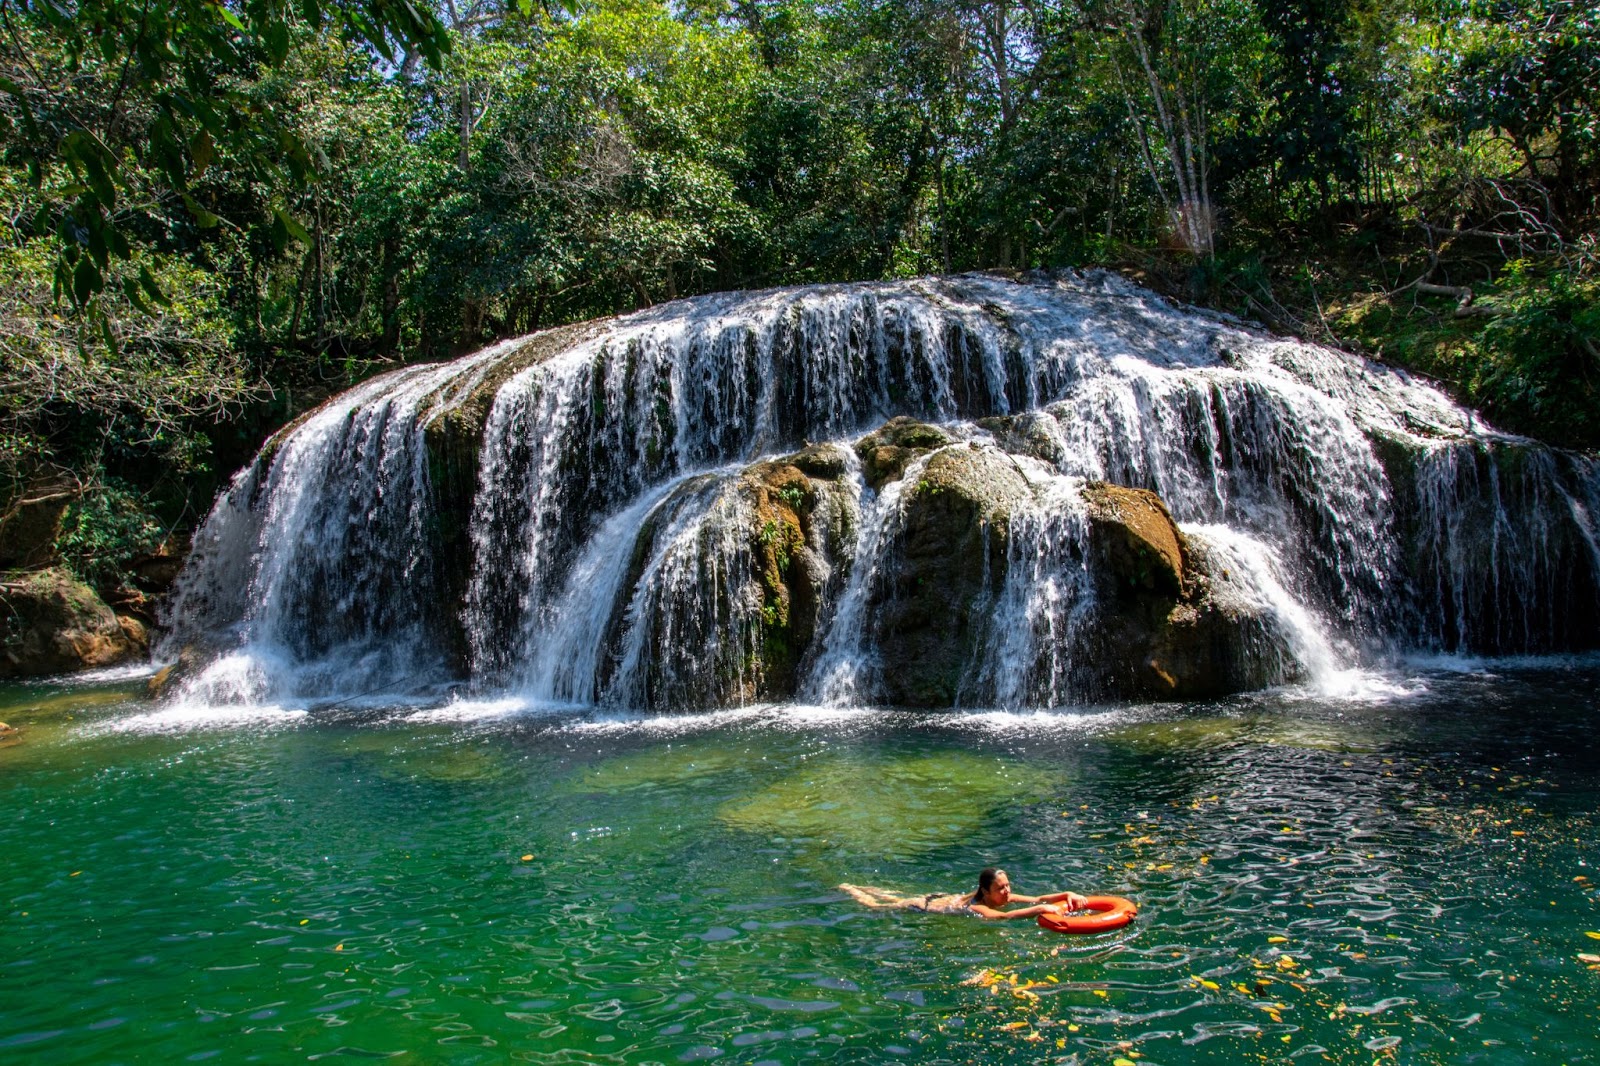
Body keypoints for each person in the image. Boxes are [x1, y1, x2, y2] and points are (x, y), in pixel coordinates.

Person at [839, 868, 1088, 919]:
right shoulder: (978, 907)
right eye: (1001, 888)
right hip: (924, 906)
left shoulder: (1004, 898)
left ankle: (860, 885)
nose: (1007, 891)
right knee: (879, 905)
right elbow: (1004, 918)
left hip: (940, 896)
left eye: (1008, 885)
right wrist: (1040, 911)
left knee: (892, 895)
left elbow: (1038, 898)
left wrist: (1067, 893)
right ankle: (851, 889)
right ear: (985, 892)